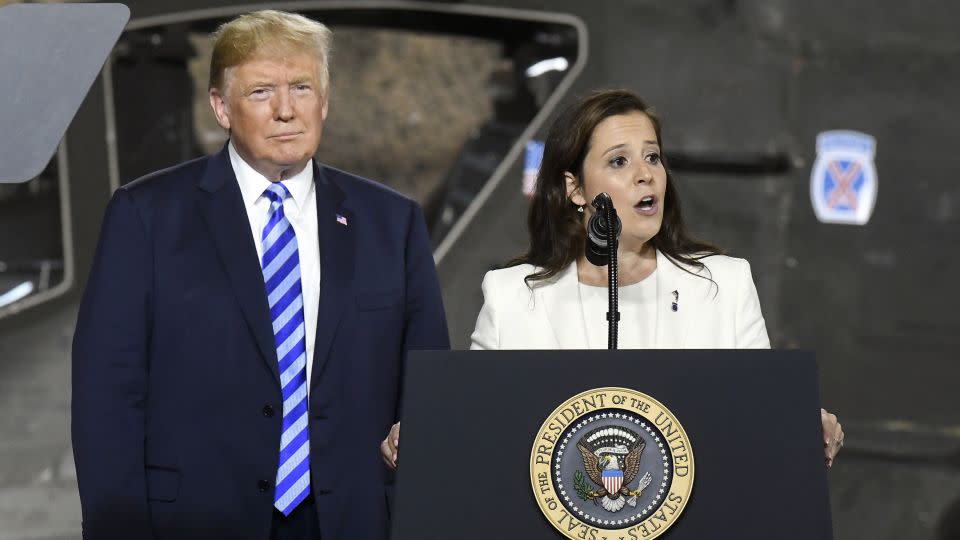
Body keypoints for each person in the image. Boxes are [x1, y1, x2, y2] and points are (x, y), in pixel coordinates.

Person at [72, 10, 448, 540]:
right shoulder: (145, 217)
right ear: (221, 107)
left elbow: (429, 388)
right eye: (261, 93)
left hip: (352, 520)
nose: (286, 111)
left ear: (325, 100)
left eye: (301, 87)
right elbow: (106, 398)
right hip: (194, 521)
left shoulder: (392, 222)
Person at [381, 89, 842, 471]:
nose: (646, 175)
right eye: (619, 162)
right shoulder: (513, 296)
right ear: (575, 189)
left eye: (653, 158)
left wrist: (803, 428)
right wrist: (425, 437)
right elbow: (476, 426)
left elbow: (761, 419)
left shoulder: (723, 285)